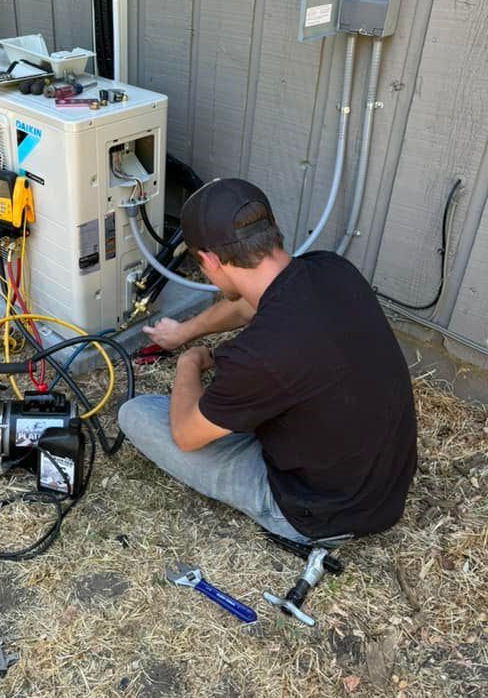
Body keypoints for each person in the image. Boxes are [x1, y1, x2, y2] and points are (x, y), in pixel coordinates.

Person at [118, 178, 417, 543]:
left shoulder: (262, 356)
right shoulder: (332, 269)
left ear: (209, 260)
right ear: (271, 230)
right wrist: (184, 333)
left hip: (325, 513)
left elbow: (186, 435)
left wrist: (189, 361)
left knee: (136, 414)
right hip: (384, 486)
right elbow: (247, 305)